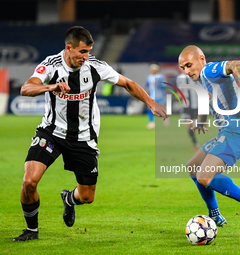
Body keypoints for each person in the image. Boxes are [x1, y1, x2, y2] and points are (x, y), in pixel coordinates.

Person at [13, 26, 167, 242]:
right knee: (29, 181)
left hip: (84, 138)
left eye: (88, 52)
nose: (86, 57)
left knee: (86, 197)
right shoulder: (51, 65)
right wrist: (52, 87)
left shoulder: (96, 66)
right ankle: (32, 230)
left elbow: (128, 83)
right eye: (82, 52)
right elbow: (26, 88)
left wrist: (151, 104)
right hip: (51, 132)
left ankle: (69, 199)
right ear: (69, 48)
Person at [178, 45, 240, 229]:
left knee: (203, 176)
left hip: (237, 133)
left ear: (201, 59)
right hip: (227, 133)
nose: (186, 71)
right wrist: (201, 120)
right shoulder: (203, 79)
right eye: (182, 68)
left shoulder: (209, 70)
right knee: (193, 167)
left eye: (189, 65)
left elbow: (236, 64)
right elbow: (212, 98)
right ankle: (214, 214)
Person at [176, 72, 199, 151]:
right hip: (186, 106)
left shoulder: (195, 76)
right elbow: (179, 91)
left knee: (195, 123)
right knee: (188, 125)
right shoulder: (180, 78)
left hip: (195, 105)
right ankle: (195, 143)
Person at [145, 62, 167, 129]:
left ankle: (165, 120)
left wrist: (159, 85)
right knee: (149, 108)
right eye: (152, 69)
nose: (153, 70)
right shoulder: (149, 77)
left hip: (160, 96)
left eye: (154, 69)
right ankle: (151, 122)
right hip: (152, 95)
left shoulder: (161, 77)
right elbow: (147, 85)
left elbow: (164, 85)